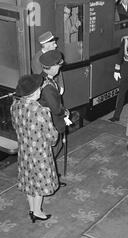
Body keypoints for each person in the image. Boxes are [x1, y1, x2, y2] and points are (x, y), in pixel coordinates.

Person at [10, 74, 57, 223]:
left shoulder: (14, 106)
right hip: (40, 153)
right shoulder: (41, 111)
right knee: (39, 183)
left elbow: (15, 127)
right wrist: (54, 138)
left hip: (24, 151)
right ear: (35, 92)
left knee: (28, 180)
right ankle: (37, 212)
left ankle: (31, 209)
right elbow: (51, 135)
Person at [38, 50, 78, 187]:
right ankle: (47, 177)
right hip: (52, 123)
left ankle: (50, 173)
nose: (60, 68)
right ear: (53, 67)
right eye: (59, 66)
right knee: (54, 149)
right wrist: (65, 112)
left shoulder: (43, 78)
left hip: (47, 122)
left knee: (52, 150)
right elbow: (56, 109)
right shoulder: (48, 86)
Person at [31, 31, 65, 96]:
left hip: (56, 88)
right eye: (53, 44)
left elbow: (59, 72)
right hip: (48, 92)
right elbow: (41, 78)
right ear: (46, 45)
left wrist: (61, 86)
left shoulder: (53, 54)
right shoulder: (37, 59)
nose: (56, 45)